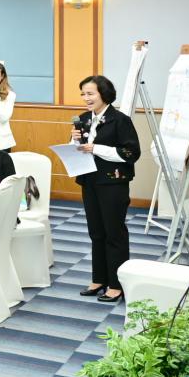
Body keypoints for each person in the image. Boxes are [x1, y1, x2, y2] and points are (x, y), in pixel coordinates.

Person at [73, 74, 141, 303]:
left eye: (90, 93)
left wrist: (96, 148)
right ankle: (99, 279)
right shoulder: (83, 119)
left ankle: (116, 284)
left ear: (104, 94)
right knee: (96, 232)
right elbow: (80, 150)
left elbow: (131, 153)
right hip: (89, 181)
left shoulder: (120, 120)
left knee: (114, 233)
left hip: (113, 183)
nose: (86, 98)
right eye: (83, 94)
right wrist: (75, 141)